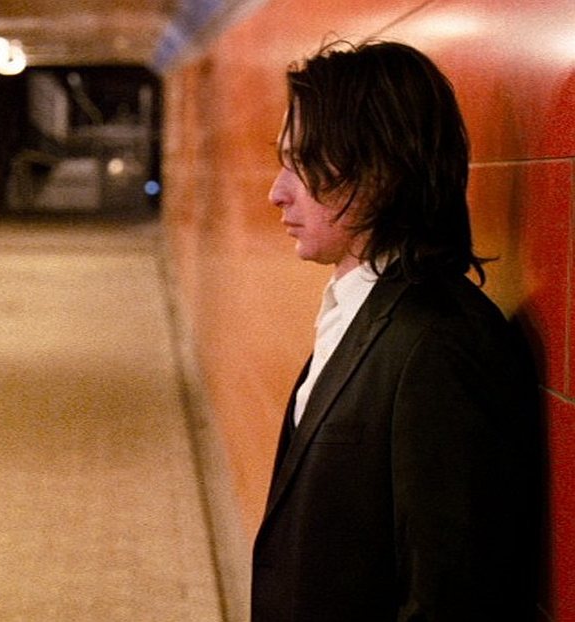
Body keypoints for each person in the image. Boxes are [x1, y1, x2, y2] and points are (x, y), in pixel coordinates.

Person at [251, 40, 539, 620]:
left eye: (302, 162)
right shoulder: (359, 308)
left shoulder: (441, 345)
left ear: (380, 170)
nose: (277, 192)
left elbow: (449, 599)